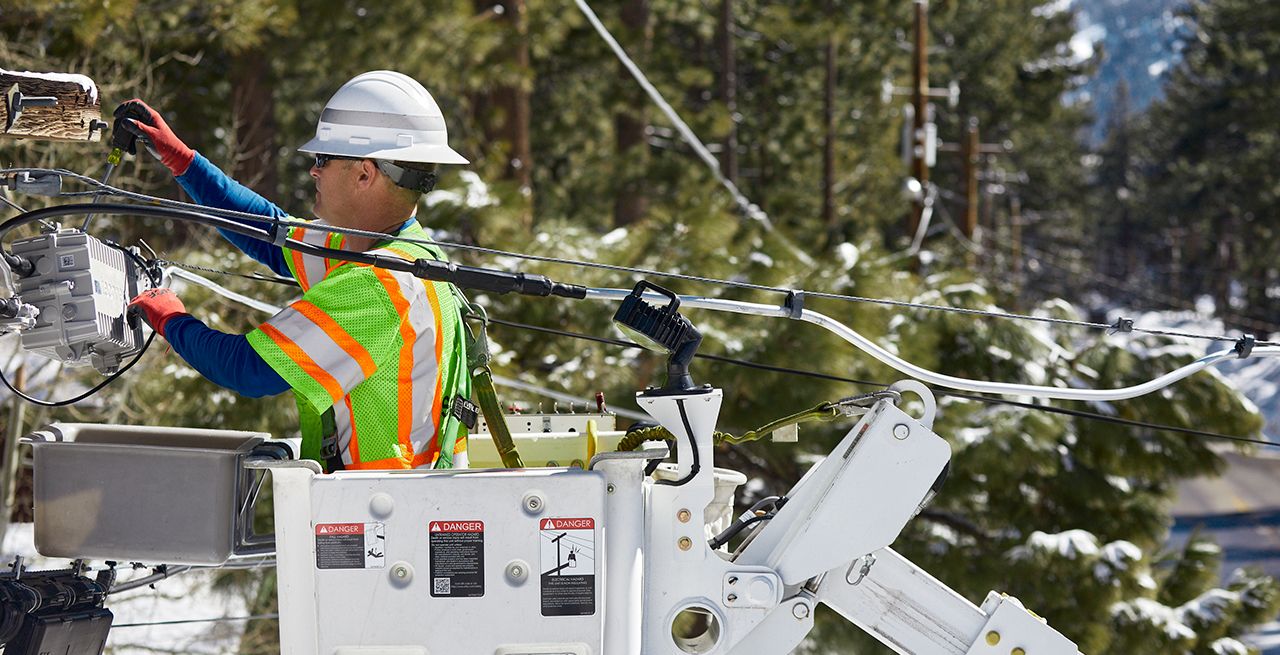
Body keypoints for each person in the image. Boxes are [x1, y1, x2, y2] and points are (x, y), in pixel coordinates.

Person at [123, 71, 474, 472]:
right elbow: (271, 235)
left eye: (324, 159)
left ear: (365, 173)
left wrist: (170, 317)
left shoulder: (380, 285)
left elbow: (249, 369)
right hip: (390, 503)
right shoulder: (389, 246)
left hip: (380, 508)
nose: (314, 171)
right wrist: (184, 162)